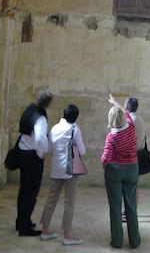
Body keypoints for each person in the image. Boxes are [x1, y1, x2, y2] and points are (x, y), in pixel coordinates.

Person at [40, 104, 86, 245]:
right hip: (70, 170)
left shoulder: (54, 128)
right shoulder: (74, 129)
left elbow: (49, 148)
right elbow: (82, 151)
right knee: (69, 201)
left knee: (51, 199)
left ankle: (45, 230)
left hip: (55, 169)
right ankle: (67, 234)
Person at [102, 106, 141, 249]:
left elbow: (105, 158)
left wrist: (104, 165)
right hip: (132, 169)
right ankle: (135, 241)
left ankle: (117, 242)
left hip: (115, 172)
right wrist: (116, 103)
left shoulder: (111, 137)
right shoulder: (131, 127)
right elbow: (127, 114)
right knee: (131, 206)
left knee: (115, 207)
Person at [16, 90, 53, 236]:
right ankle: (24, 227)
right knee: (31, 192)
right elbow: (39, 139)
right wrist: (41, 154)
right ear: (47, 103)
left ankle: (21, 221)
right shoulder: (41, 118)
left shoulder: (30, 109)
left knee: (24, 190)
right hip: (32, 157)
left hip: (22, 152)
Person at [108, 94, 146, 219]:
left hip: (132, 157)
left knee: (131, 188)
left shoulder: (130, 120)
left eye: (124, 103)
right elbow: (123, 111)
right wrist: (114, 102)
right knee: (134, 186)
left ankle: (130, 213)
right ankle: (131, 212)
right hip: (139, 154)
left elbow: (122, 113)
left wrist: (114, 102)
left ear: (127, 106)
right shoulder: (139, 119)